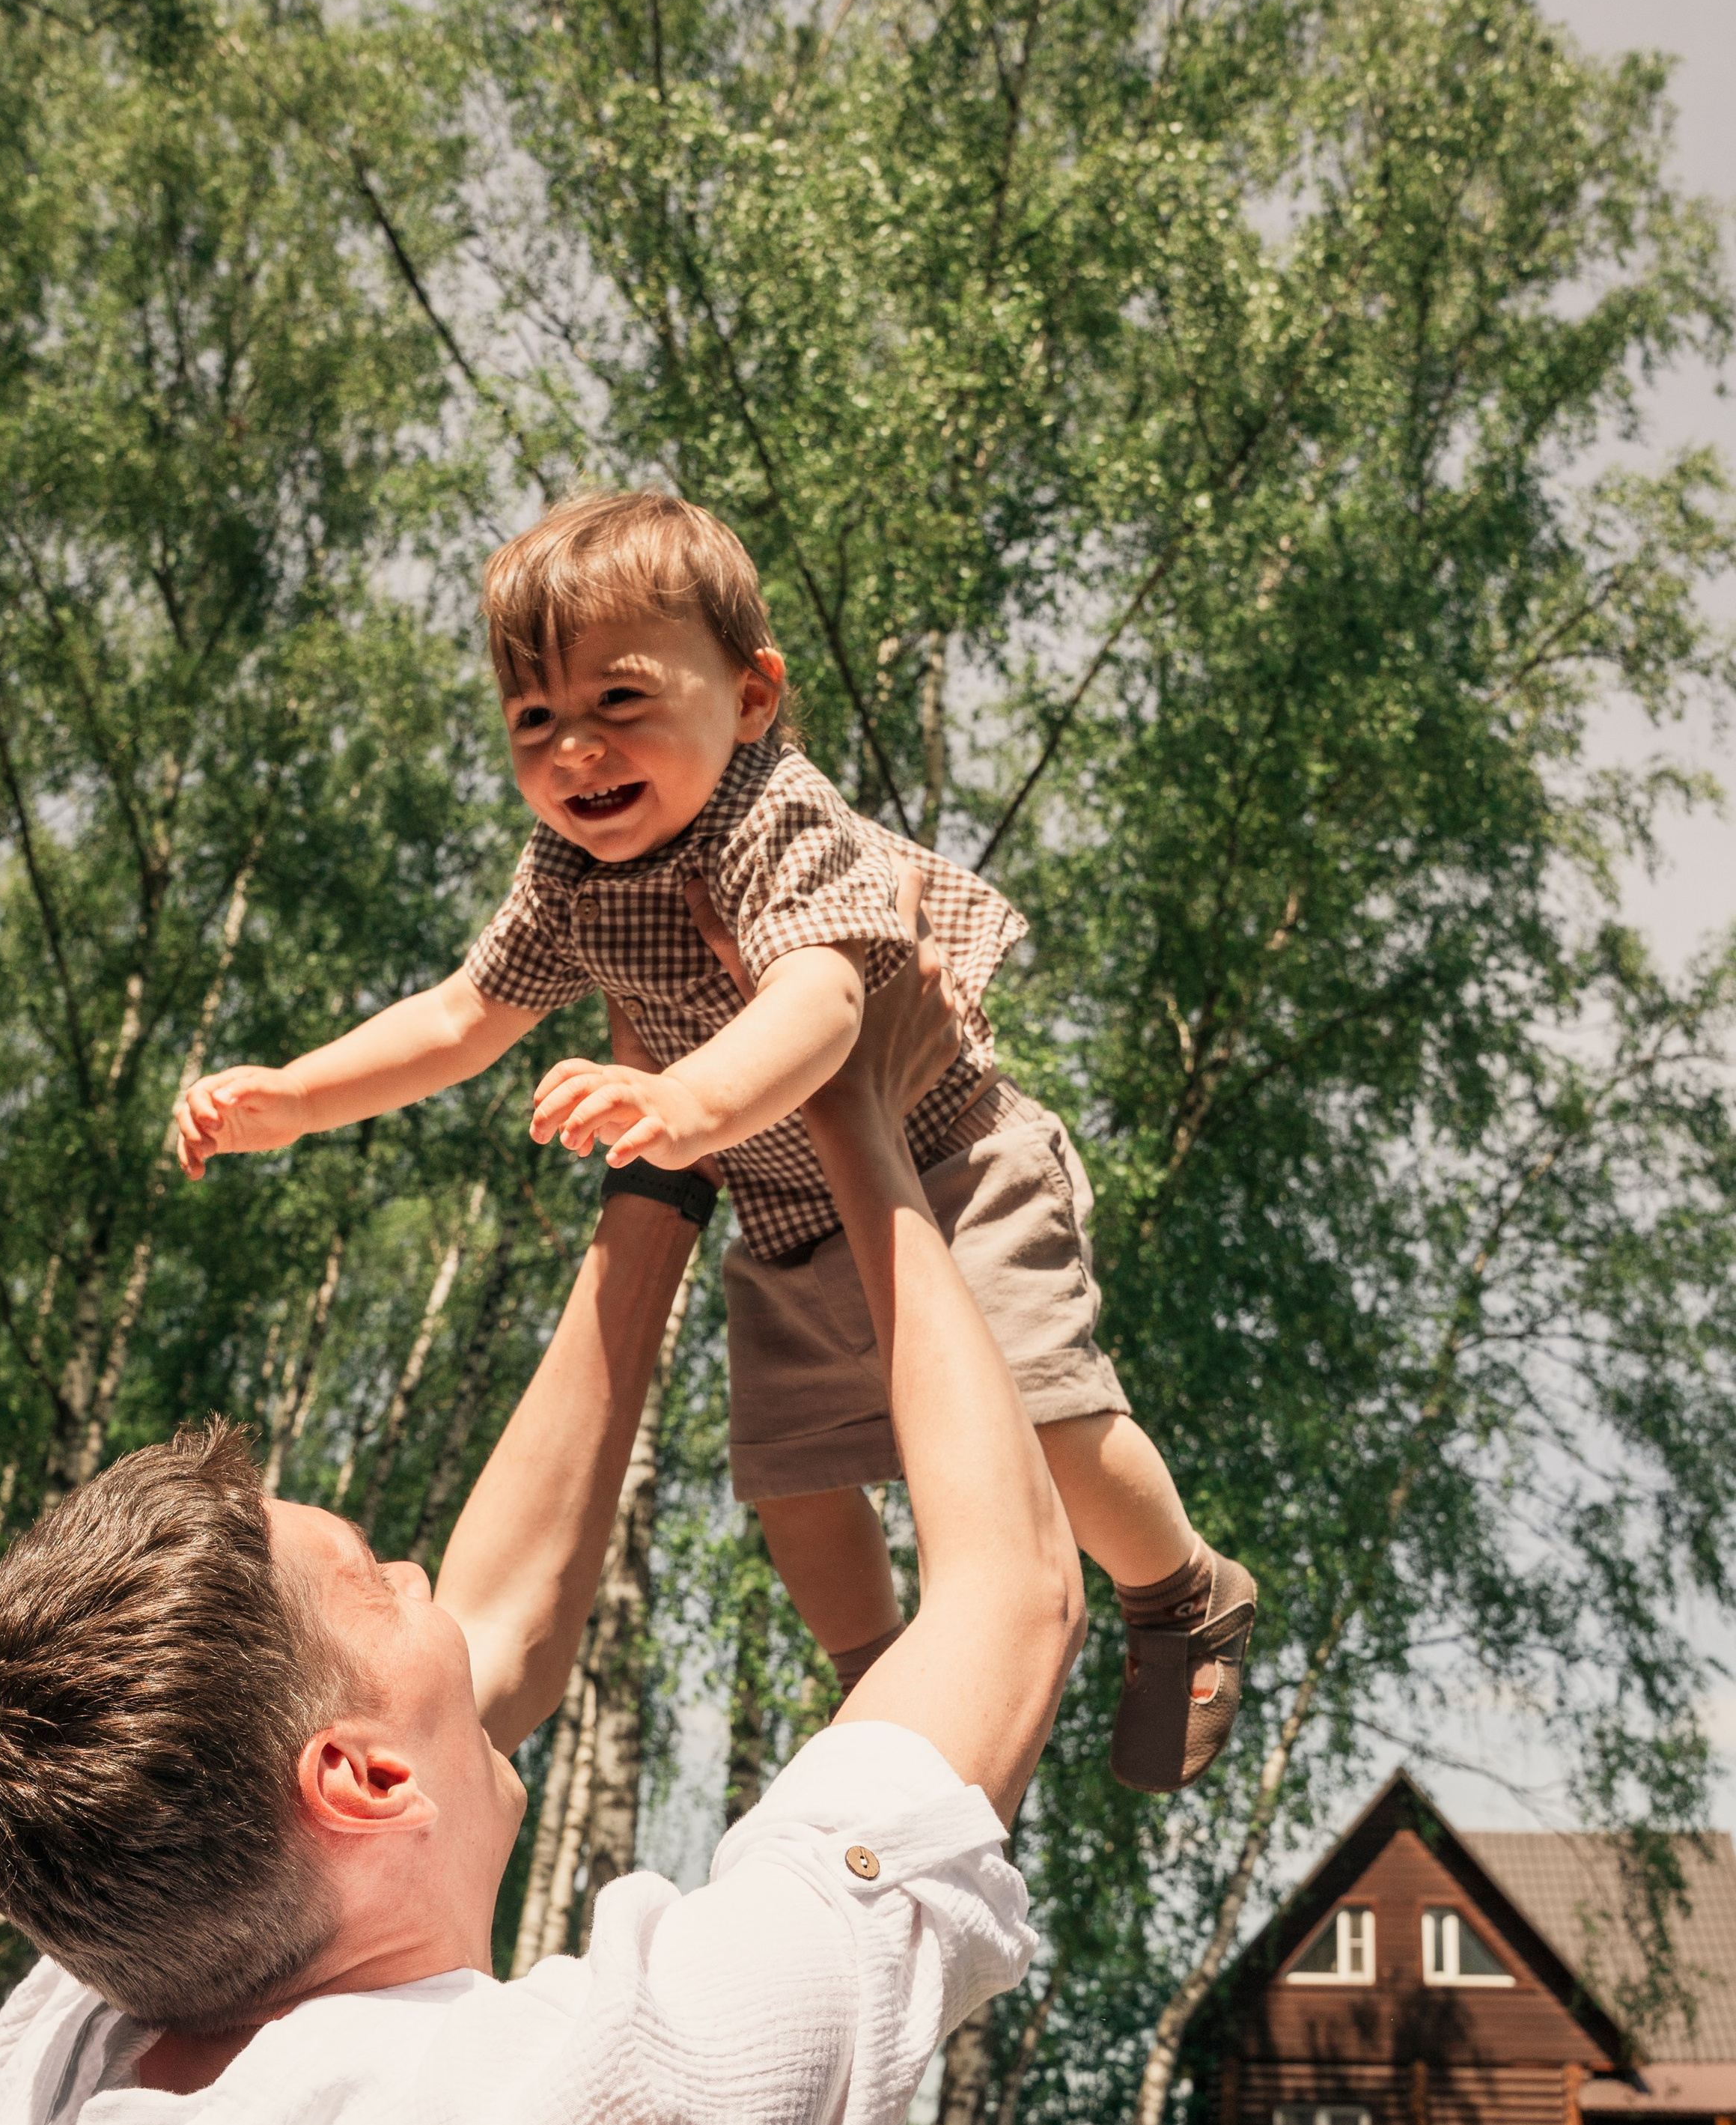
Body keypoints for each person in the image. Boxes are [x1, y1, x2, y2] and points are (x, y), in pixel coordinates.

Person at [0, 899, 1082, 2125]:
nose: (425, 1590)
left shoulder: (66, 2076)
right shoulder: (614, 2117)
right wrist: (849, 1108)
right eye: (378, 1580)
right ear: (361, 1776)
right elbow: (1007, 1600)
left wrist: (663, 1177)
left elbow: (496, 1634)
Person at [171, 487, 1253, 1793]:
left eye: (619, 700)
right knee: (788, 1479)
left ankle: (1180, 1592)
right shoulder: (568, 872)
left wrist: (685, 1103)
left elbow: (824, 1001)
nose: (576, 750)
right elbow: (464, 1016)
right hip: (787, 1216)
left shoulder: (771, 817)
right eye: (534, 719)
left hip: (958, 1172)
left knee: (1044, 1416)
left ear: (750, 696)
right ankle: (883, 1682)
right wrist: (297, 1096)